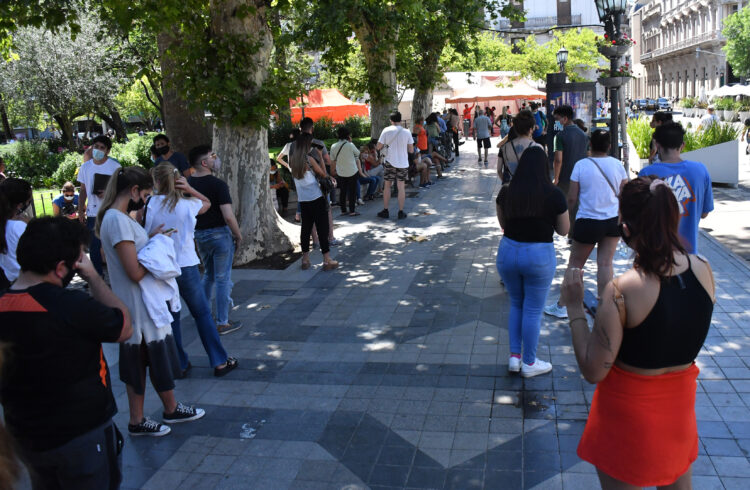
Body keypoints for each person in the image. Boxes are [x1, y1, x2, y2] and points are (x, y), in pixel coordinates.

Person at [560, 176, 715, 490]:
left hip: (626, 420)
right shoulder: (704, 269)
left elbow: (593, 370)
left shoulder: (622, 290)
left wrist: (575, 307)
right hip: (679, 414)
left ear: (626, 227)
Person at [0, 217, 133, 489]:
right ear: (62, 268)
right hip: (81, 435)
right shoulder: (73, 306)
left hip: (26, 435)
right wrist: (93, 276)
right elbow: (124, 326)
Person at [96, 167, 205, 437]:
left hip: (141, 306)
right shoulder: (117, 220)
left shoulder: (117, 218)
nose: (145, 200)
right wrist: (157, 247)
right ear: (134, 191)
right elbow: (134, 270)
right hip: (138, 305)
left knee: (147, 359)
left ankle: (166, 409)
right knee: (140, 361)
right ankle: (141, 418)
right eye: (144, 195)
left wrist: (153, 239)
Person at [146, 163, 240, 378]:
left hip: (162, 267)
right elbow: (207, 203)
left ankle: (178, 363)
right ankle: (219, 360)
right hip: (186, 264)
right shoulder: (187, 204)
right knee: (202, 313)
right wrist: (189, 189)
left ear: (157, 182)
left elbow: (145, 232)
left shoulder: (151, 203)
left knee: (172, 317)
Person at [495, 147, 569, 377]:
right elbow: (564, 230)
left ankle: (514, 358)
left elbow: (503, 223)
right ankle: (529, 362)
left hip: (508, 251)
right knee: (533, 310)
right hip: (539, 255)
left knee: (516, 304)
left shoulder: (507, 191)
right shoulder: (554, 194)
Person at [545, 130, 629, 319]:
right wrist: (621, 217)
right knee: (606, 264)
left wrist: (566, 216)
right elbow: (625, 193)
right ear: (608, 145)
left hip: (587, 221)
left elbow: (572, 197)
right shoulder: (617, 165)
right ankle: (605, 305)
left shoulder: (581, 165)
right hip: (611, 222)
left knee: (575, 264)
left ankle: (563, 305)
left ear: (590, 144)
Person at [187, 145, 244, 333]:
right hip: (220, 234)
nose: (216, 159)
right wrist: (238, 234)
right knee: (222, 278)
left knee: (209, 275)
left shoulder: (187, 184)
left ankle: (204, 316)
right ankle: (222, 322)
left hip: (199, 235)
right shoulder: (218, 185)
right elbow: (228, 215)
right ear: (204, 163)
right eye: (213, 156)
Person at [639, 122, 713, 254]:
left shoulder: (646, 174)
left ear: (657, 145)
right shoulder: (700, 170)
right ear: (682, 145)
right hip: (688, 256)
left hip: (655, 255)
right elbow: (704, 213)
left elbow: (639, 216)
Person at [291, 133, 338, 271]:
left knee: (305, 229)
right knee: (322, 228)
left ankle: (305, 259)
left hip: (303, 200)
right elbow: (323, 173)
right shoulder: (309, 159)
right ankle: (327, 259)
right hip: (316, 198)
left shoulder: (293, 160)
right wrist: (320, 157)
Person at [77, 135, 121, 276]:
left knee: (114, 245)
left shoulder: (115, 167)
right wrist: (81, 211)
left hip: (111, 210)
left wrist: (108, 193)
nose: (98, 150)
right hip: (92, 213)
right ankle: (98, 276)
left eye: (102, 148)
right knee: (94, 247)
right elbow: (83, 189)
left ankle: (118, 274)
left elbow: (121, 189)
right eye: (96, 147)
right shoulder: (85, 167)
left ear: (107, 151)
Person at [552, 105, 589, 236]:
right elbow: (588, 155)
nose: (556, 122)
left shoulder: (559, 136)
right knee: (579, 205)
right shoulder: (584, 135)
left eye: (557, 119)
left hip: (566, 177)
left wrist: (556, 178)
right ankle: (577, 232)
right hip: (582, 177)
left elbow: (558, 160)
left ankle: (568, 232)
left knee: (566, 206)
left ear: (565, 118)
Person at [376, 112, 414, 220]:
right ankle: (401, 212)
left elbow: (379, 147)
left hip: (389, 162)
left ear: (391, 120)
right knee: (401, 187)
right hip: (403, 163)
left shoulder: (386, 130)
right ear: (400, 120)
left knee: (387, 186)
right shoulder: (407, 132)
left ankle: (386, 210)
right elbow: (411, 150)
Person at [0, 178, 32, 290]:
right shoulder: (18, 227)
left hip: (6, 283)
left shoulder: (6, 225)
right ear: (19, 205)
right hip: (23, 283)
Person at [498, 111, 543, 183]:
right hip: (531, 189)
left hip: (511, 188)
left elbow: (499, 170)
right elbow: (541, 172)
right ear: (531, 129)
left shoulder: (504, 148)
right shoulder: (538, 147)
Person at [330, 126, 361, 217]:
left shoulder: (333, 146)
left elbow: (332, 159)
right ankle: (352, 211)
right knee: (352, 191)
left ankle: (343, 210)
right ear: (348, 135)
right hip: (352, 171)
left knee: (343, 191)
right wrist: (350, 142)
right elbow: (358, 153)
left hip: (341, 172)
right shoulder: (350, 145)